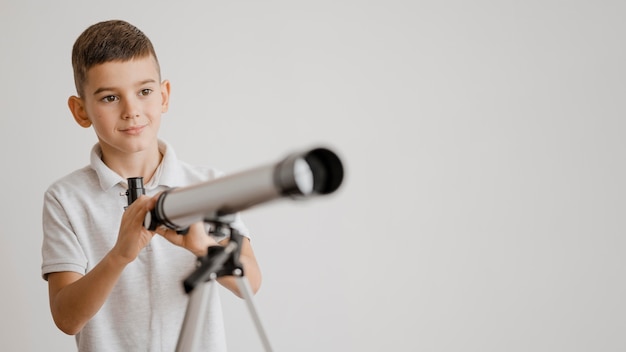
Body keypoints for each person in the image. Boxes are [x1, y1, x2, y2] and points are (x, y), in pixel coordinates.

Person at [41, 19, 262, 352]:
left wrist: (203, 247)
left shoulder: (207, 185)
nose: (132, 111)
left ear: (164, 96)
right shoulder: (66, 198)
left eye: (144, 92)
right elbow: (66, 318)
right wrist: (119, 255)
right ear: (80, 110)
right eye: (110, 97)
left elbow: (252, 283)